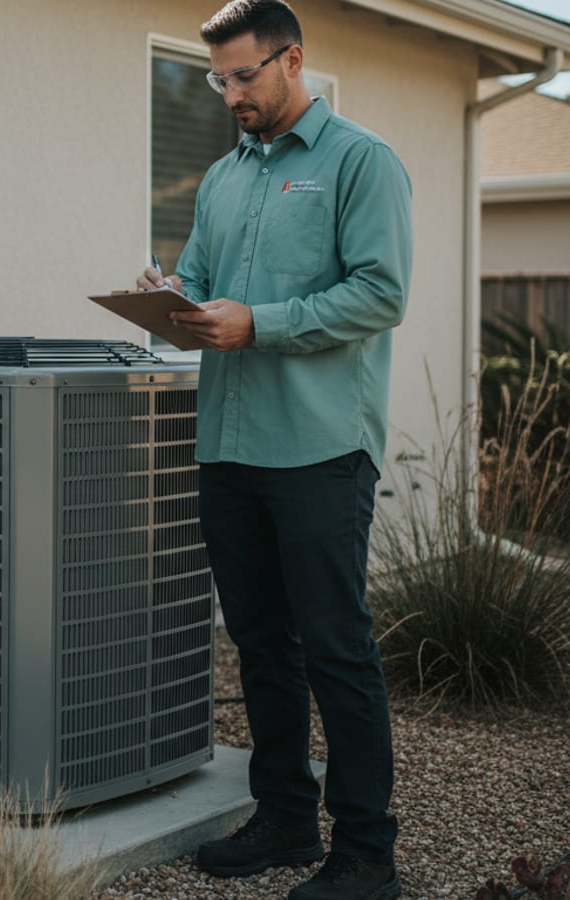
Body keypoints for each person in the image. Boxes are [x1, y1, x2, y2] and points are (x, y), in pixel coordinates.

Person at [136, 1, 412, 898]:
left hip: (322, 449)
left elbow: (379, 294)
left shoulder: (361, 163)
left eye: (244, 75)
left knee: (337, 649)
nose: (229, 94)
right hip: (230, 446)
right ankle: (287, 819)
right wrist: (173, 300)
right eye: (218, 78)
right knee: (259, 645)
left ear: (293, 60)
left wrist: (262, 325)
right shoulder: (222, 178)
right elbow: (209, 292)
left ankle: (368, 855)